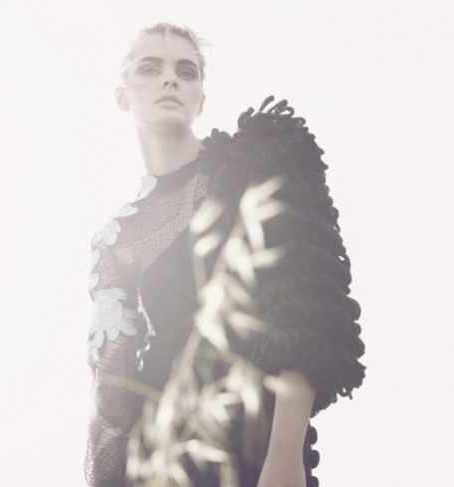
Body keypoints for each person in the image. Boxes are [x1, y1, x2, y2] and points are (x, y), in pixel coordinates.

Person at [84, 22, 365, 487]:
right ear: (122, 96)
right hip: (161, 465)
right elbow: (111, 393)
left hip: (254, 455)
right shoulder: (116, 239)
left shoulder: (260, 160)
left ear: (201, 100)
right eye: (150, 69)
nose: (170, 79)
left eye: (186, 72)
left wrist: (284, 458)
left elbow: (308, 311)